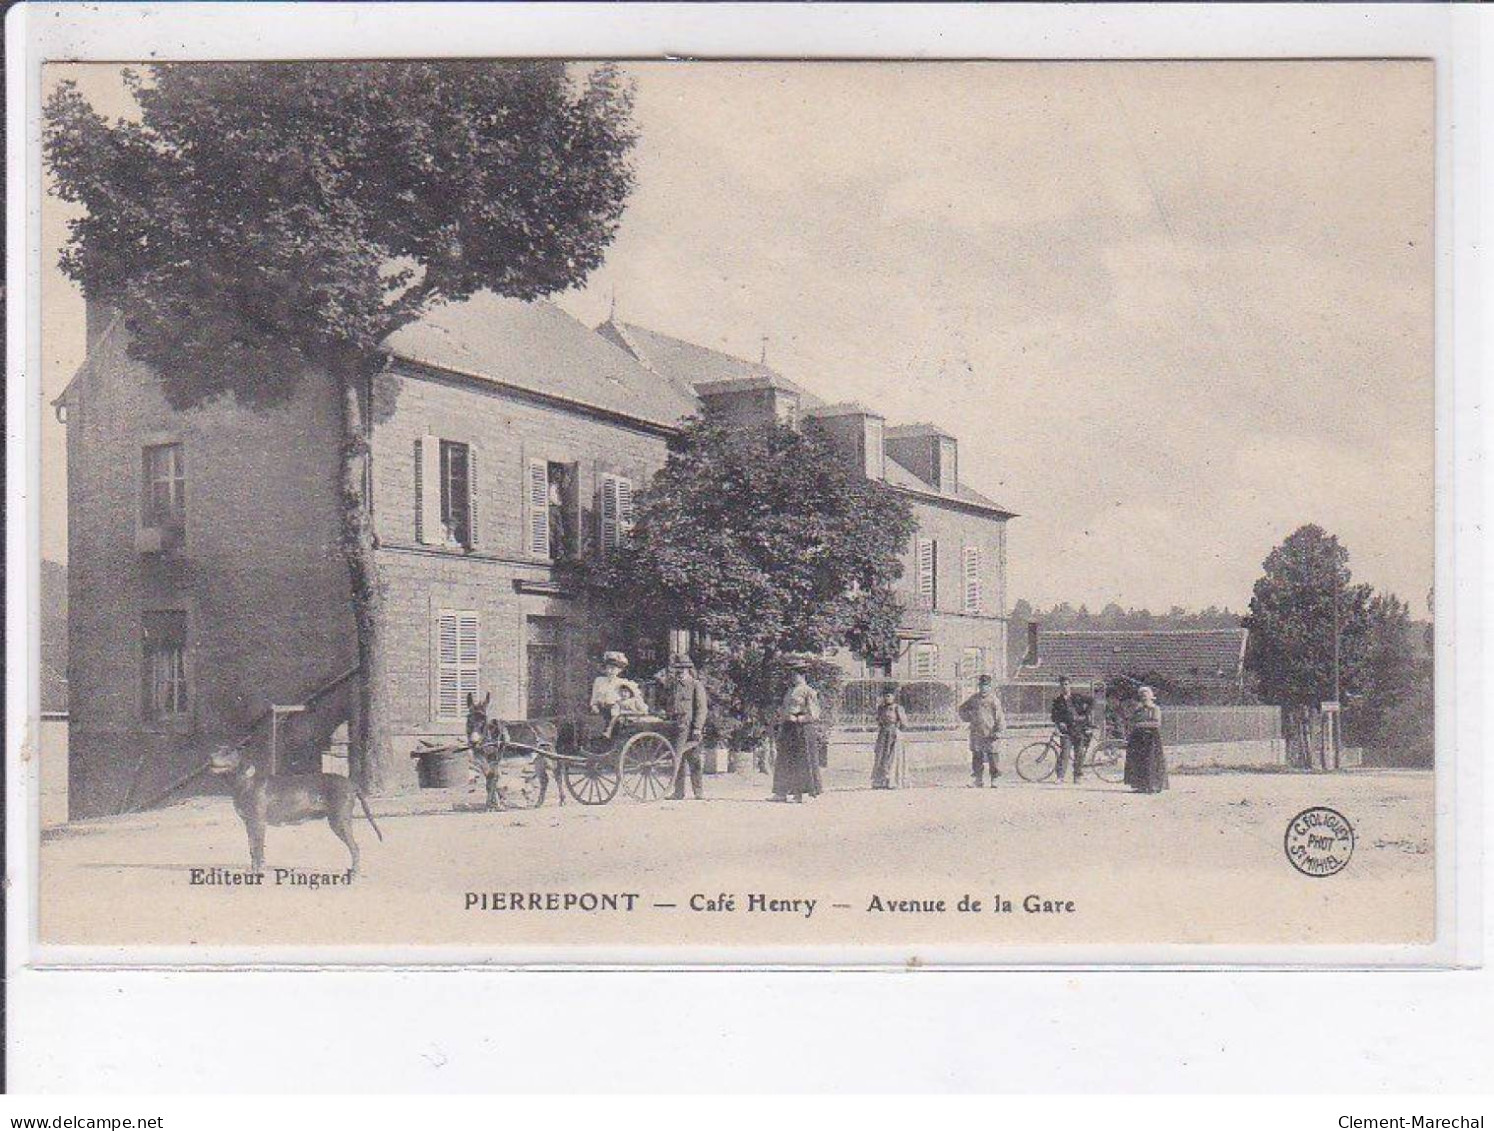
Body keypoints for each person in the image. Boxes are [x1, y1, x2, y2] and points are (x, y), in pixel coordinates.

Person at [660, 653, 709, 800]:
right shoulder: (673, 685)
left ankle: (698, 791)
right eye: (678, 669)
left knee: (694, 759)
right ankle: (678, 792)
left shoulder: (695, 685)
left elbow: (701, 708)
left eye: (683, 668)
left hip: (689, 727)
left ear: (689, 669)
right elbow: (667, 703)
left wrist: (698, 728)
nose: (680, 671)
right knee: (677, 758)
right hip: (674, 726)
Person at [772, 666, 823, 802]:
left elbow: (815, 713)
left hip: (802, 729)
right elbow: (785, 708)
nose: (793, 677)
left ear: (802, 675)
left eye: (796, 675)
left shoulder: (809, 691)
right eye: (792, 675)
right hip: (789, 727)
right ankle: (781, 792)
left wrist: (801, 718)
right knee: (785, 759)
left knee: (802, 760)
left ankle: (801, 793)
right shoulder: (790, 691)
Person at [958, 674, 1005, 787]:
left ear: (990, 687)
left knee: (993, 756)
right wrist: (968, 718)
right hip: (977, 732)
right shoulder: (974, 699)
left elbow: (1000, 718)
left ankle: (994, 779)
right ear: (979, 686)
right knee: (977, 756)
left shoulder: (994, 701)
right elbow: (962, 709)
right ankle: (978, 780)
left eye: (986, 686)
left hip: (990, 733)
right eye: (982, 686)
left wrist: (998, 731)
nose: (983, 688)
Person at [1123, 686, 1169, 794]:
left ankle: (1153, 785)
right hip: (1138, 738)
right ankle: (1140, 786)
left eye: (1146, 695)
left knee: (1152, 761)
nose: (1144, 697)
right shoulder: (1138, 710)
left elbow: (1157, 723)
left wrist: (1141, 725)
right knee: (1138, 761)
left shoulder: (1155, 709)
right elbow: (1131, 721)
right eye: (1142, 696)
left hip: (1151, 738)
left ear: (1151, 696)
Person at [1050, 676, 1095, 784]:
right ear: (1060, 686)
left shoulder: (1077, 697)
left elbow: (1092, 701)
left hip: (1079, 729)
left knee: (1079, 753)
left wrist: (1086, 714)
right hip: (1066, 731)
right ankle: (1060, 776)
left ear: (1070, 685)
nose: (1064, 686)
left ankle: (1077, 776)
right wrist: (1059, 723)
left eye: (1066, 684)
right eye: (1062, 684)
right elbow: (1054, 716)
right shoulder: (1057, 701)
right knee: (1064, 753)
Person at [871, 687, 908, 790]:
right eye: (885, 696)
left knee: (892, 757)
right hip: (883, 734)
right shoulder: (881, 708)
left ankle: (892, 781)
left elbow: (904, 723)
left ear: (893, 697)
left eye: (889, 696)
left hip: (893, 734)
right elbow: (878, 720)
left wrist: (897, 732)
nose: (887, 698)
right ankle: (880, 781)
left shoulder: (897, 708)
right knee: (881, 756)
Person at [589, 652, 636, 731]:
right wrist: (594, 706)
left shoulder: (623, 682)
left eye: (613, 668)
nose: (610, 671)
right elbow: (594, 698)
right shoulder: (599, 680)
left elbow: (632, 698)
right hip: (601, 710)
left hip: (617, 712)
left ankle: (608, 732)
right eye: (608, 668)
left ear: (619, 670)